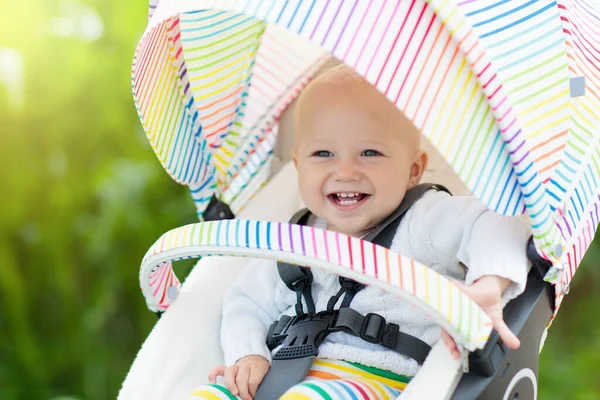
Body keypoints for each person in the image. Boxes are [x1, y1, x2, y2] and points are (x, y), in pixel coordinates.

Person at [190, 65, 529, 399]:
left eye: (370, 153)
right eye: (323, 154)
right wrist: (248, 354)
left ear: (413, 171)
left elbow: (498, 220)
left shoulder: (422, 220)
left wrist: (489, 284)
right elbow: (246, 302)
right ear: (299, 166)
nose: (346, 171)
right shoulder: (292, 240)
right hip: (277, 376)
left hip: (370, 381)